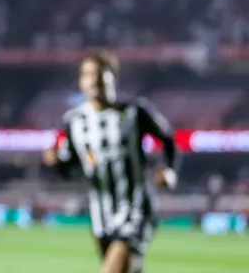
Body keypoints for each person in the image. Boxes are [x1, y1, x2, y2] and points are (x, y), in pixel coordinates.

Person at [43, 52, 178, 273]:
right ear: (81, 81)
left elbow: (168, 139)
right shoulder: (74, 121)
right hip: (101, 216)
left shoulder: (134, 111)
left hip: (135, 209)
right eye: (88, 74)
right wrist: (56, 162)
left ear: (112, 78)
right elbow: (71, 170)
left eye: (99, 73)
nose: (94, 79)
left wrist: (167, 168)